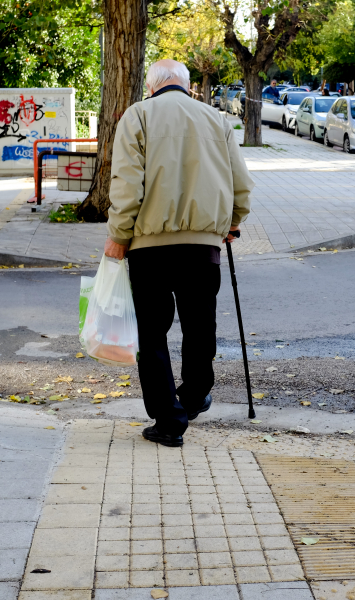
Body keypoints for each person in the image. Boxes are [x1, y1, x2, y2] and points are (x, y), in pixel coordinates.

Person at [103, 59, 254, 448]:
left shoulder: (138, 116)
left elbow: (125, 184)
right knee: (199, 326)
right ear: (188, 86)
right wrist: (232, 222)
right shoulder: (217, 120)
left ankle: (170, 421)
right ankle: (194, 394)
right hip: (203, 246)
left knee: (151, 334)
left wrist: (118, 236)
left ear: (151, 86)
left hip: (149, 248)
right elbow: (241, 181)